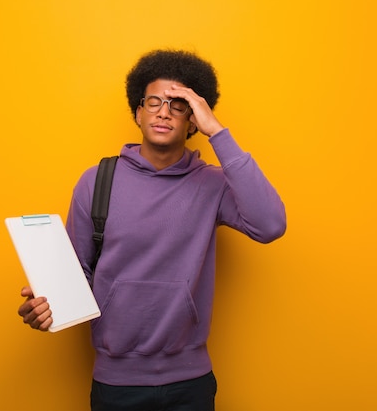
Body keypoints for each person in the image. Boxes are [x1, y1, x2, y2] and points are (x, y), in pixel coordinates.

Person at [18, 49, 286, 411]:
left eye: (178, 105)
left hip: (190, 382)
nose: (163, 111)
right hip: (116, 383)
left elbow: (270, 225)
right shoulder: (97, 181)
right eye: (154, 101)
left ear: (194, 120)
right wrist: (46, 304)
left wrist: (218, 133)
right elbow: (76, 272)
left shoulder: (214, 185)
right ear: (137, 111)